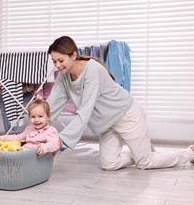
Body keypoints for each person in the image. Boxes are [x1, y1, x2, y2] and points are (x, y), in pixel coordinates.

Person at [46, 35, 194, 170]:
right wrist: (37, 129)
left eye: (61, 60)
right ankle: (140, 151)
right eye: (54, 61)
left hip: (126, 116)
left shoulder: (92, 70)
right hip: (106, 125)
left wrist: (60, 141)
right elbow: (51, 105)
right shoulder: (63, 77)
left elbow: (85, 111)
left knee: (145, 163)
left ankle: (189, 153)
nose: (58, 65)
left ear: (74, 55)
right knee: (109, 164)